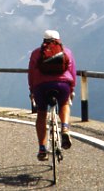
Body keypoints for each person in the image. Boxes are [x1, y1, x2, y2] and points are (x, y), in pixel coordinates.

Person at [28, 30, 76, 161]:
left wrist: (32, 91)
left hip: (41, 87)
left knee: (42, 113)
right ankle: (65, 128)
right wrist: (71, 90)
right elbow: (72, 72)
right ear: (59, 40)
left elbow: (31, 74)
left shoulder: (36, 53)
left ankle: (42, 149)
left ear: (43, 41)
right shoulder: (67, 52)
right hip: (63, 85)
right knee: (64, 104)